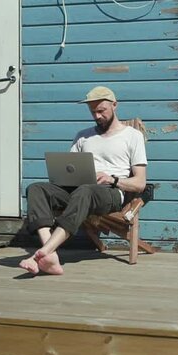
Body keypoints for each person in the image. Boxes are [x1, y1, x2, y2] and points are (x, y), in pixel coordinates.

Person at [19, 86, 148, 275]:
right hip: (79, 190)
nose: (96, 116)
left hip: (110, 193)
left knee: (85, 190)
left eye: (101, 111)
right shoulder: (83, 136)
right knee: (36, 189)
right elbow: (70, 168)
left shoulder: (132, 136)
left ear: (114, 105)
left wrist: (112, 179)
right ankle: (50, 254)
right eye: (93, 112)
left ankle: (43, 253)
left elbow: (139, 183)